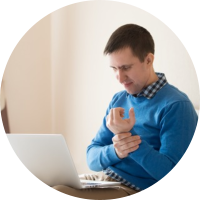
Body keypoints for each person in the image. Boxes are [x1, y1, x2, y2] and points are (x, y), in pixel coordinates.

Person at [52, 24, 198, 199]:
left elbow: (167, 170)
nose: (119, 78)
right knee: (48, 180)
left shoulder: (176, 106)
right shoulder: (119, 99)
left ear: (149, 60)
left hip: (134, 187)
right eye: (114, 69)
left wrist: (126, 138)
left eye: (126, 68)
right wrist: (116, 151)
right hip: (105, 179)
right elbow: (92, 157)